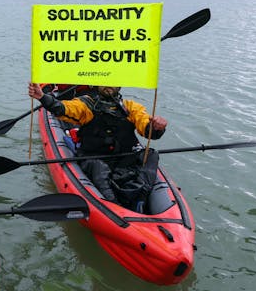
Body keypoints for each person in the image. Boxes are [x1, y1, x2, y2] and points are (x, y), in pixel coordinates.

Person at [29, 83, 168, 210]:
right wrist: (42, 97)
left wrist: (156, 127)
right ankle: (114, 206)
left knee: (151, 154)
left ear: (119, 86)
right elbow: (64, 109)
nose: (108, 85)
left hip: (123, 159)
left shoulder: (131, 107)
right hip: (94, 158)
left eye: (113, 82)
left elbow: (147, 129)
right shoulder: (85, 104)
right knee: (99, 167)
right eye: (104, 82)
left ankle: (141, 197)